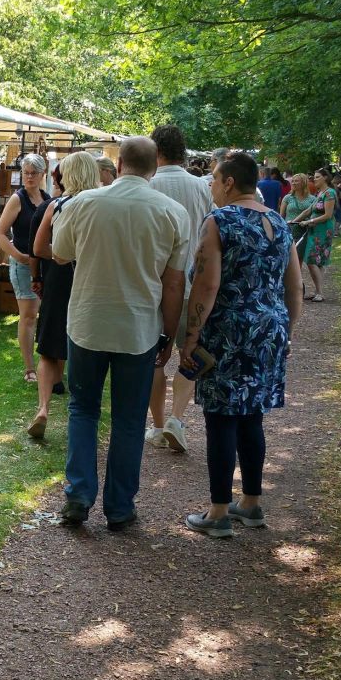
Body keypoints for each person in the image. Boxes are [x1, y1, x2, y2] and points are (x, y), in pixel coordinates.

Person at [51, 137, 188, 530]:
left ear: (118, 162)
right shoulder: (172, 212)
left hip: (88, 322)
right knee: (128, 419)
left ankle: (78, 495)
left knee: (83, 409)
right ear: (154, 168)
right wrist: (169, 331)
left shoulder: (83, 203)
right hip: (139, 328)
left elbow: (60, 253)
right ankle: (120, 506)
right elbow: (175, 282)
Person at [181, 150, 303, 538]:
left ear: (229, 182)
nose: (213, 187)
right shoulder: (280, 224)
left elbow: (207, 284)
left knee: (220, 418)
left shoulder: (220, 221)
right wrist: (286, 330)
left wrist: (191, 336)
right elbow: (294, 285)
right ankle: (250, 503)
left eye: (215, 179)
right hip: (270, 329)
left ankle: (217, 511)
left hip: (229, 330)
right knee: (252, 416)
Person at [145, 124, 214, 454]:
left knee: (155, 359)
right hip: (192, 283)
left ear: (155, 151)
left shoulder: (150, 183)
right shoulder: (202, 186)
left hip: (155, 284)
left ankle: (158, 426)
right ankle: (176, 418)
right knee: (190, 354)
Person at [25, 152, 101, 438]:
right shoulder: (101, 205)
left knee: (47, 345)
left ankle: (43, 408)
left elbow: (38, 247)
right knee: (85, 344)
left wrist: (61, 257)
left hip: (59, 277)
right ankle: (80, 409)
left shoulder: (56, 205)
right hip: (90, 279)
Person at [0, 153, 51, 383]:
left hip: (45, 264)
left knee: (45, 315)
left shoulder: (47, 198)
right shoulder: (18, 199)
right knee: (28, 316)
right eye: (25, 173)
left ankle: (47, 362)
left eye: (33, 173)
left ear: (42, 175)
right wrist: (17, 255)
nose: (29, 177)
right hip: (24, 265)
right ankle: (29, 368)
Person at [288, 167, 337, 301]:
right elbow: (307, 211)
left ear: (325, 178)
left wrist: (310, 221)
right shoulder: (320, 194)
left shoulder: (329, 193)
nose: (314, 179)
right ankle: (318, 292)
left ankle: (320, 293)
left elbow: (328, 215)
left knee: (311, 260)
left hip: (323, 230)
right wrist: (293, 221)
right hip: (314, 229)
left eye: (317, 177)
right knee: (317, 261)